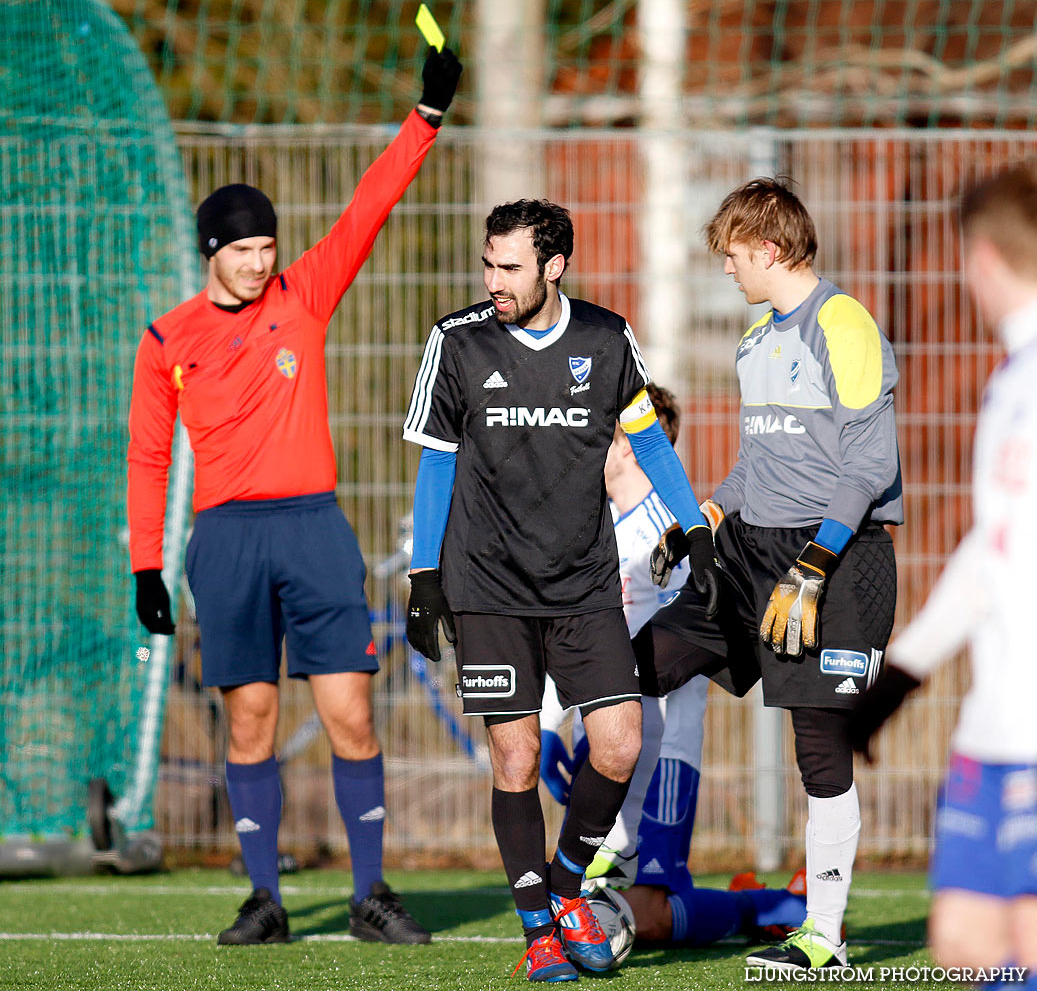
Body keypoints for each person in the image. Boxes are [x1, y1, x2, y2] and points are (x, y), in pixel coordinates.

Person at [126, 47, 462, 947]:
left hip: (314, 530)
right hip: (225, 541)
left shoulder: (303, 295)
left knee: (349, 710)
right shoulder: (167, 341)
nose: (258, 261)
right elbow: (147, 459)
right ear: (210, 253)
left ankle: (369, 894)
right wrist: (145, 569)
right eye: (241, 249)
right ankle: (265, 898)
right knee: (252, 719)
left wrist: (423, 116)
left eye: (266, 246)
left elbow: (370, 204)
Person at [402, 199, 720, 981]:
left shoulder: (607, 340)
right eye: (488, 263)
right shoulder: (457, 340)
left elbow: (648, 440)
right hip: (488, 586)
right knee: (513, 760)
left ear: (554, 266)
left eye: (510, 267)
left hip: (582, 584)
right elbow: (437, 461)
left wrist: (698, 532)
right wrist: (423, 578)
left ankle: (568, 887)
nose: (493, 281)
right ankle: (538, 930)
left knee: (618, 744)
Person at [642, 177, 902, 974]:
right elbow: (755, 463)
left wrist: (816, 563)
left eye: (730, 255)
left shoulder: (842, 321)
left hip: (838, 553)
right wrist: (709, 516)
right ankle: (602, 863)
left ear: (769, 248)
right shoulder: (753, 341)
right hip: (750, 550)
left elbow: (869, 462)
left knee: (818, 749)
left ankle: (822, 936)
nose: (725, 269)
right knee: (632, 666)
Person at [849, 163, 1037, 989]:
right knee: (963, 940)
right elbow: (991, 547)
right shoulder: (1010, 378)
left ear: (982, 260)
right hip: (994, 717)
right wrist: (899, 675)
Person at [539, 384, 807, 948]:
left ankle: (774, 904)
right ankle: (750, 898)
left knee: (650, 917)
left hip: (663, 757)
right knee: (582, 912)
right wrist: (547, 726)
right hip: (608, 749)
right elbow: (571, 637)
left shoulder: (673, 534)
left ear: (629, 447)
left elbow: (672, 657)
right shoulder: (590, 528)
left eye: (596, 439)